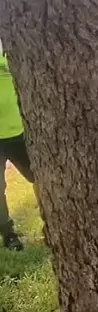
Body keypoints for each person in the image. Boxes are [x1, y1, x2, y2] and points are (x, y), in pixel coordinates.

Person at [0, 47, 35, 251]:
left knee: (41, 177)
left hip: (19, 131)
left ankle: (54, 222)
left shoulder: (10, 45)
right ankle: (8, 234)